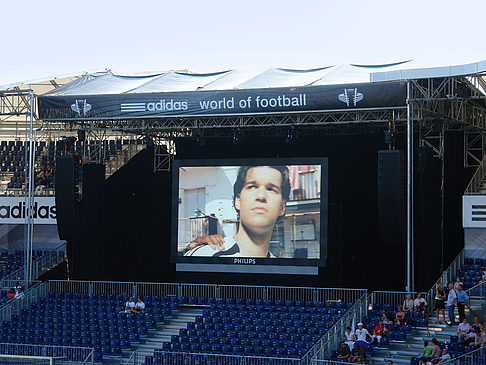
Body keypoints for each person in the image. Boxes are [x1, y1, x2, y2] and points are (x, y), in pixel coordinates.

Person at [184, 165, 290, 257]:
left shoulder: (285, 273)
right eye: (252, 186)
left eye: (271, 189)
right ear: (238, 201)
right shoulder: (203, 255)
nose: (261, 196)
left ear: (282, 207)